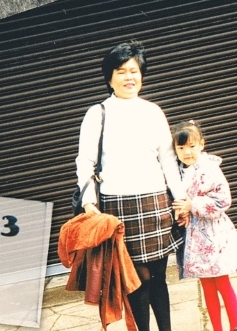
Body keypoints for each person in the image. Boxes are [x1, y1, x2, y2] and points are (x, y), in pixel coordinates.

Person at [76, 41, 184, 331]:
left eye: (134, 71)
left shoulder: (153, 112)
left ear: (142, 74)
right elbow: (85, 162)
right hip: (118, 206)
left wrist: (180, 199)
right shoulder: (97, 113)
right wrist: (90, 205)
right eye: (121, 71)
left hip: (155, 203)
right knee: (136, 280)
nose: (129, 77)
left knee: (159, 276)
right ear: (109, 77)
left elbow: (169, 161)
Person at [171, 121, 237, 331]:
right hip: (196, 238)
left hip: (214, 236)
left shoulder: (210, 169)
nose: (186, 152)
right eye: (181, 148)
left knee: (222, 282)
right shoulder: (180, 172)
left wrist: (193, 205)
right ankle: (217, 328)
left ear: (201, 144)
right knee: (206, 285)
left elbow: (223, 200)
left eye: (191, 146)